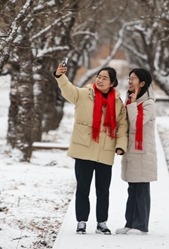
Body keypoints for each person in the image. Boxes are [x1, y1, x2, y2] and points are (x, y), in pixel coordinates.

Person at [54, 62, 128, 235]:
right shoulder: (83, 94)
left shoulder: (118, 104)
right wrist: (60, 76)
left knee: (103, 190)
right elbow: (68, 90)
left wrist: (120, 146)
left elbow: (122, 126)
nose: (100, 80)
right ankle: (81, 221)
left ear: (112, 83)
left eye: (105, 78)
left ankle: (102, 222)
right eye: (99, 77)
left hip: (105, 150)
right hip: (84, 149)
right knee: (83, 188)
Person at [116, 68, 157, 235]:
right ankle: (130, 223)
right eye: (129, 78)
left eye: (133, 79)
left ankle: (141, 225)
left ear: (142, 83)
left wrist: (132, 104)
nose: (129, 81)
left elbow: (136, 123)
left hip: (143, 152)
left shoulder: (148, 103)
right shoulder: (130, 100)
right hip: (132, 152)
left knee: (141, 189)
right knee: (132, 189)